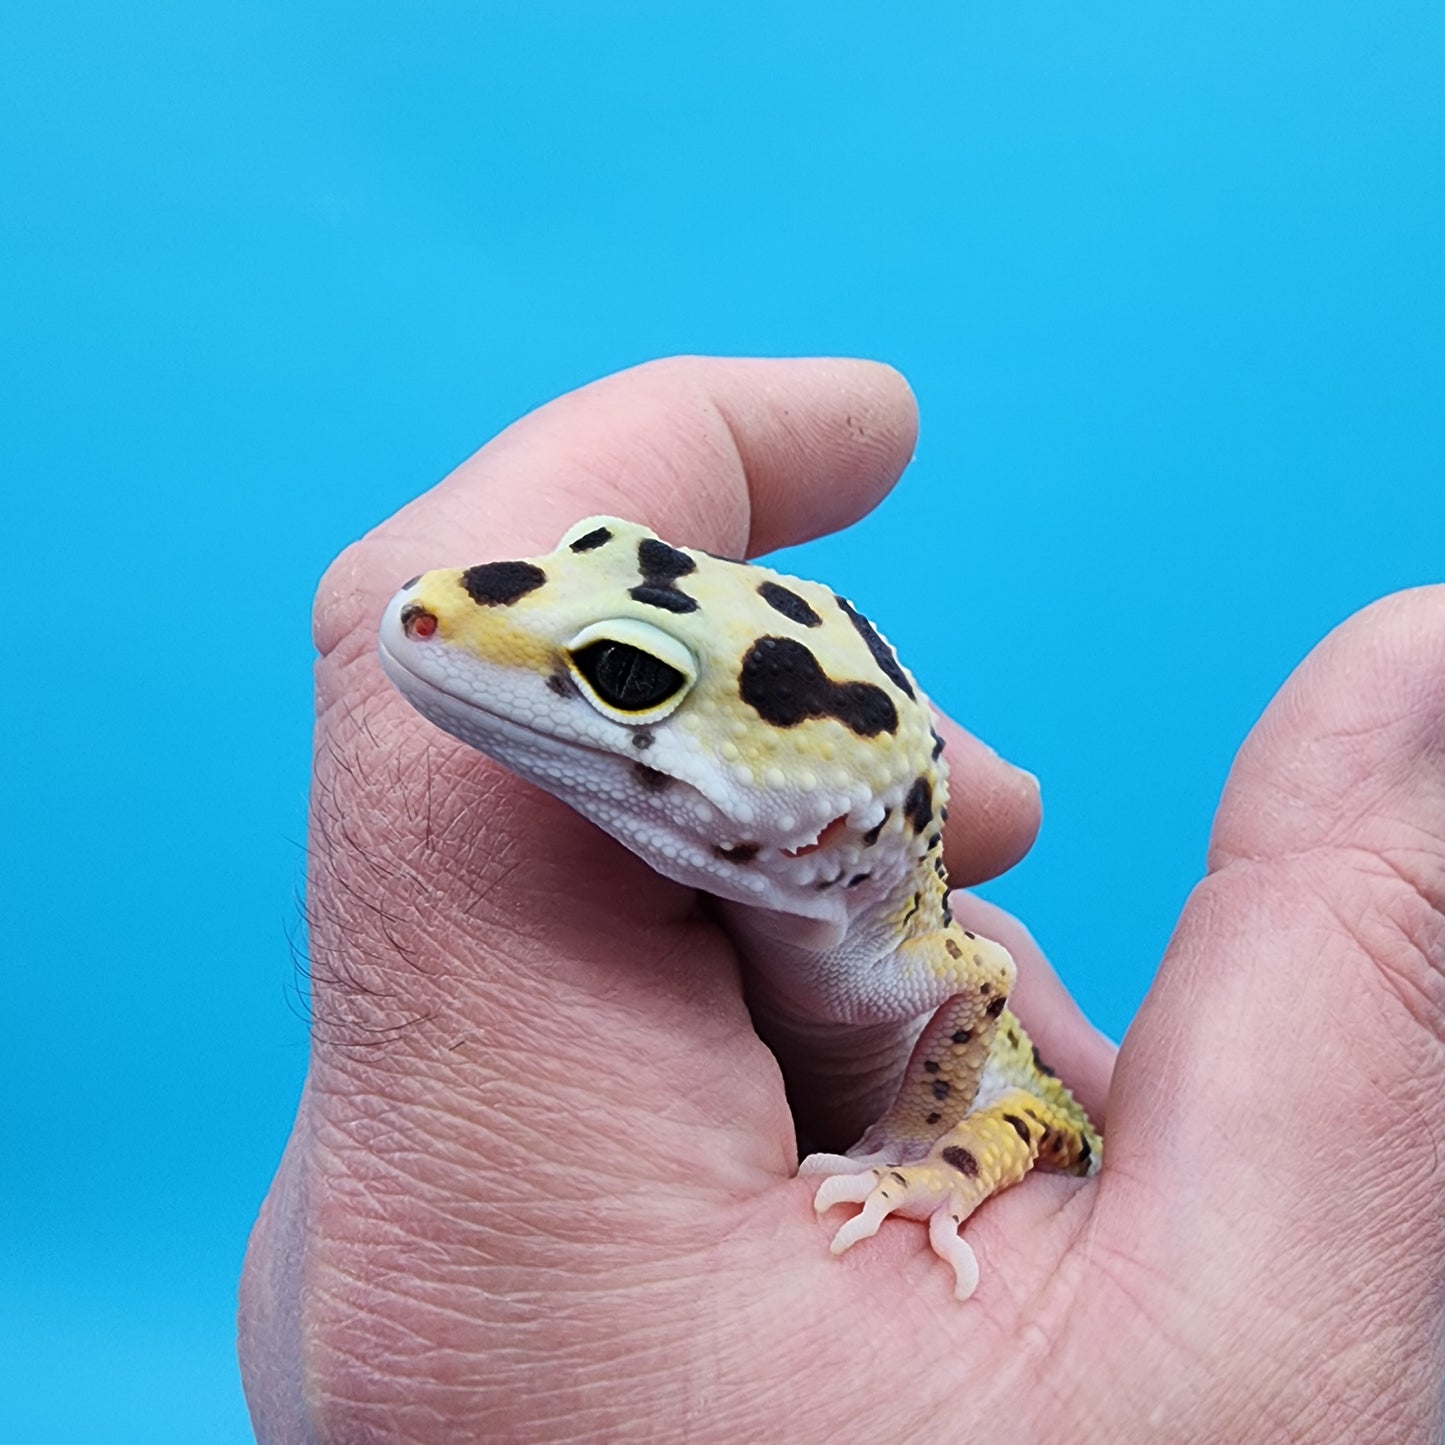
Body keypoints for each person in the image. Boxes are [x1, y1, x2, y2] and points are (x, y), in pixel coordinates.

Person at [239, 357, 1445, 1443]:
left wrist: (933, 1154)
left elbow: (980, 986)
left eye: (625, 677)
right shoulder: (792, 889)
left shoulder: (913, 968)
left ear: (814, 829)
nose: (426, 611)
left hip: (1036, 1155)